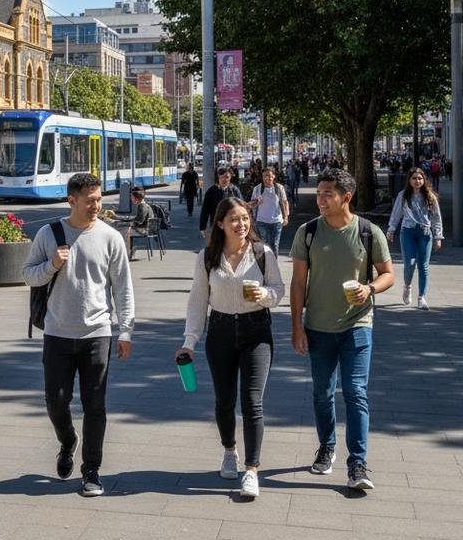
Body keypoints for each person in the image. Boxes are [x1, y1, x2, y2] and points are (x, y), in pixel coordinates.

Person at [23, 172, 135, 498]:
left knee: (95, 405)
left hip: (98, 333)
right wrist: (51, 266)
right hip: (57, 333)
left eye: (99, 199)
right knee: (55, 402)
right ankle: (68, 439)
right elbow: (28, 276)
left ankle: (91, 471)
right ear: (71, 200)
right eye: (90, 201)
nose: (96, 206)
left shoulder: (110, 237)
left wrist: (125, 330)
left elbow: (123, 288)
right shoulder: (49, 234)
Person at [289, 168, 394, 492]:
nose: (320, 199)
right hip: (318, 327)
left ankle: (357, 463)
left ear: (346, 197)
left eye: (327, 194)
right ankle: (327, 446)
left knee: (355, 392)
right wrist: (296, 327)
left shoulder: (368, 232)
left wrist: (370, 290)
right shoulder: (307, 233)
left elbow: (388, 274)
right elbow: (298, 283)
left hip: (357, 325)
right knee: (322, 393)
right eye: (319, 193)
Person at [177, 198, 284, 499]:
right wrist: (189, 342)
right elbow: (198, 301)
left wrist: (265, 295)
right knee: (224, 400)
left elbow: (278, 290)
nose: (242, 224)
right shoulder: (207, 258)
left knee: (252, 402)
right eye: (234, 219)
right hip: (221, 331)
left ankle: (252, 470)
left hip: (256, 332)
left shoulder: (263, 254)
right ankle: (229, 451)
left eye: (246, 218)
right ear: (221, 223)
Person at [386, 167, 443, 310]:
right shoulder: (403, 195)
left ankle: (421, 297)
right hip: (408, 233)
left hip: (425, 233)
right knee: (409, 264)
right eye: (414, 178)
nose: (417, 181)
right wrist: (391, 229)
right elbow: (396, 213)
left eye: (420, 178)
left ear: (424, 180)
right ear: (409, 180)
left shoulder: (430, 196)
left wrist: (438, 236)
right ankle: (407, 286)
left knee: (423, 267)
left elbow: (436, 217)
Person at [249, 167, 290, 254]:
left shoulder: (279, 188)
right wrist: (257, 201)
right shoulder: (257, 189)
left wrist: (285, 217)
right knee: (265, 245)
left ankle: (273, 265)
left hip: (276, 221)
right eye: (265, 176)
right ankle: (266, 264)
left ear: (274, 176)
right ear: (262, 177)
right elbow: (251, 205)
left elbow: (284, 202)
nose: (268, 178)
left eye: (270, 176)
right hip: (261, 221)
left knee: (275, 244)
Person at [199, 166, 244, 238]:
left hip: (232, 223)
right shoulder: (211, 191)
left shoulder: (234, 190)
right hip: (216, 224)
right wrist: (202, 227)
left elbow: (242, 207)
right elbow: (205, 210)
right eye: (222, 177)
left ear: (230, 178)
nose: (224, 179)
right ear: (218, 178)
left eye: (227, 177)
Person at [126, 186, 154, 259]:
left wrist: (129, 224)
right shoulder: (144, 205)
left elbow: (139, 222)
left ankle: (128, 253)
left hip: (145, 230)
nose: (131, 199)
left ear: (136, 198)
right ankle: (129, 251)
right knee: (126, 229)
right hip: (148, 229)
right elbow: (139, 218)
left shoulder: (142, 206)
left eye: (131, 197)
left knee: (125, 231)